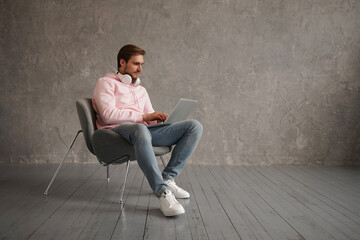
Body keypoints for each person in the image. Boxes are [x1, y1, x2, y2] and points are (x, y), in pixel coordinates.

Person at [92, 44, 203, 217]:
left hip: (141, 132)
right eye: (136, 64)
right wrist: (143, 118)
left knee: (194, 126)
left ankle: (167, 178)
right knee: (140, 129)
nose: (140, 69)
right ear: (122, 62)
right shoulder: (105, 83)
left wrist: (158, 120)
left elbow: (147, 119)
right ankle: (162, 192)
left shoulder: (141, 90)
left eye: (142, 64)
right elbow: (108, 115)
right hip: (115, 134)